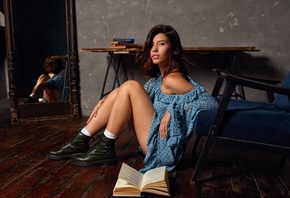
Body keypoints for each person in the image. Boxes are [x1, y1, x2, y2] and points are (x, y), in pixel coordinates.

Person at [47, 24, 218, 173]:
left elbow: (211, 104)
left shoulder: (172, 78)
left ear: (174, 50)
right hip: (154, 139)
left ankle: (104, 146)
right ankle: (81, 140)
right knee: (124, 89)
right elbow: (128, 96)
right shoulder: (160, 78)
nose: (154, 50)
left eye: (161, 44)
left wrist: (173, 110)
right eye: (152, 45)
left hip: (162, 148)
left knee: (130, 86)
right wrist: (106, 101)